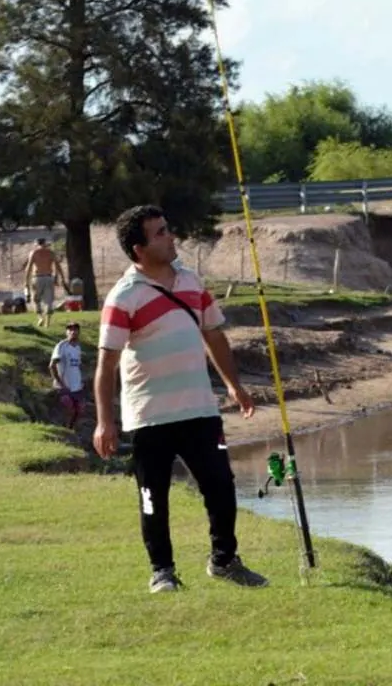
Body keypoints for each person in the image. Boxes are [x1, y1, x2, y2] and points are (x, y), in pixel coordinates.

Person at [93, 204, 266, 594]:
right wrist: (105, 422)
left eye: (168, 229)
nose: (171, 237)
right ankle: (162, 571)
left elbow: (215, 336)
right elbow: (105, 365)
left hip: (201, 412)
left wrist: (234, 386)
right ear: (139, 248)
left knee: (221, 484)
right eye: (160, 233)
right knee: (153, 497)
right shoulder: (123, 297)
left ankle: (224, 560)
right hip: (148, 417)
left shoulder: (191, 281)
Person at [50, 321, 86, 429]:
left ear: (79, 332)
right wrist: (60, 383)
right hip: (64, 386)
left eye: (75, 329)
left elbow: (77, 366)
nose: (73, 332)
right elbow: (52, 365)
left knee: (80, 410)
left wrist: (81, 381)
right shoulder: (61, 346)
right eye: (70, 329)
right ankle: (66, 430)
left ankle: (71, 429)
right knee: (69, 408)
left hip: (77, 386)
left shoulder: (78, 347)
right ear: (66, 332)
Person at [24, 238, 67, 328]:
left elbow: (28, 268)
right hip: (48, 277)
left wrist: (26, 282)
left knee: (36, 300)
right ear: (45, 243)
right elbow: (57, 266)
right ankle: (47, 323)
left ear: (37, 244)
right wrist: (59, 277)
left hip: (37, 277)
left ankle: (40, 317)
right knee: (49, 301)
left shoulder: (34, 253)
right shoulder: (50, 253)